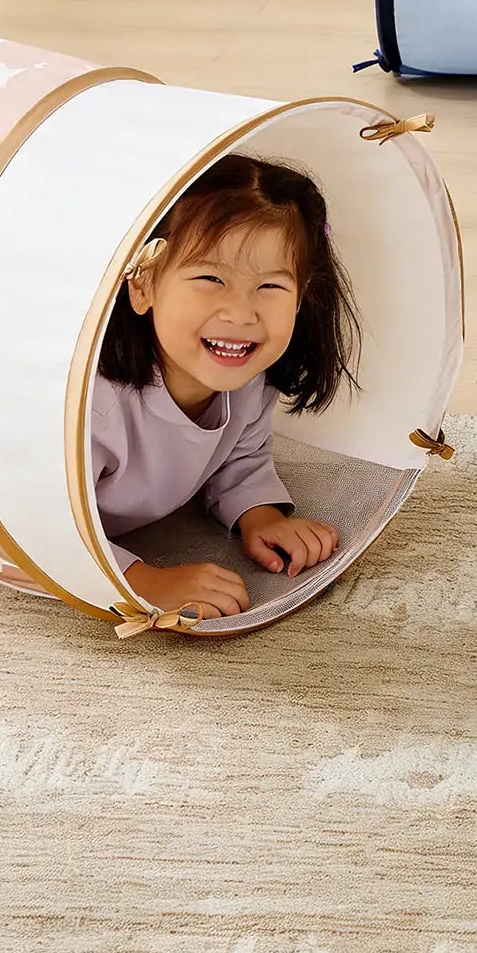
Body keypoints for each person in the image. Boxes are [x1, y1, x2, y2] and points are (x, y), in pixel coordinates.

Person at [93, 153, 362, 620]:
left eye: (271, 287)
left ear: (303, 297)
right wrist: (138, 580)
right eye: (210, 278)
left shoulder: (248, 381)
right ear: (142, 286)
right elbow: (22, 522)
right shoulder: (93, 406)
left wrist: (257, 512)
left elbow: (239, 454)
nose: (241, 313)